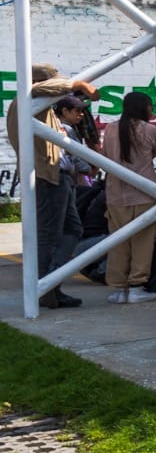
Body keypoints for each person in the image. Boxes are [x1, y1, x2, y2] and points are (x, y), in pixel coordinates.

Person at [5, 64, 97, 308]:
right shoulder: (30, 99)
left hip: (57, 177)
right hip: (48, 178)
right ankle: (46, 284)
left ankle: (51, 283)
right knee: (50, 235)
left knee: (72, 230)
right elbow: (44, 87)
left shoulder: (37, 107)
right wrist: (78, 85)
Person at [100, 91, 156, 305]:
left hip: (115, 194)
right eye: (150, 106)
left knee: (118, 242)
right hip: (144, 194)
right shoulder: (150, 130)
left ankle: (118, 288)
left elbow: (105, 156)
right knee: (143, 243)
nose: (151, 110)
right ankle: (137, 286)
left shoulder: (110, 129)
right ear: (143, 108)